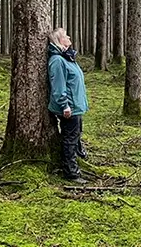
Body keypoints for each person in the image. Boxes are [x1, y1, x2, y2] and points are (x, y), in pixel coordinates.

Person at [47, 28, 89, 183]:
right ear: (59, 41)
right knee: (70, 138)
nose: (69, 37)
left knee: (75, 135)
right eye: (65, 36)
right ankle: (71, 172)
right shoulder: (57, 60)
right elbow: (58, 86)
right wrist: (65, 105)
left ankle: (79, 156)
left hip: (75, 106)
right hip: (69, 108)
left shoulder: (66, 58)